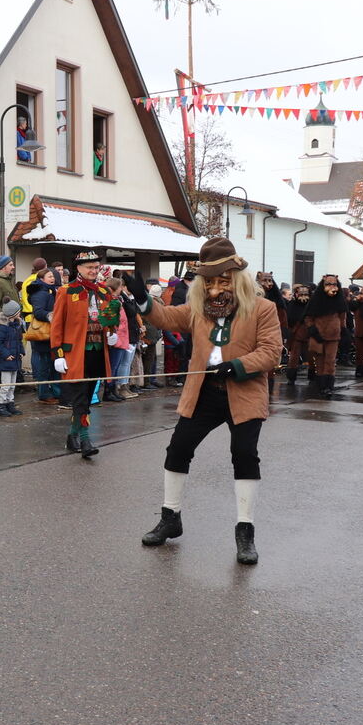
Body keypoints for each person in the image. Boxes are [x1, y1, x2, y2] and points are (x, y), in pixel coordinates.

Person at [126, 237, 283, 565]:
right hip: (203, 392)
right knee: (178, 449)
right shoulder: (197, 309)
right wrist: (142, 300)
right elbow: (167, 318)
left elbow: (270, 351)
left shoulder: (263, 309)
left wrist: (237, 365)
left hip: (243, 392)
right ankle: (171, 518)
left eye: (222, 280)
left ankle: (245, 530)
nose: (215, 288)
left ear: (237, 279)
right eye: (208, 281)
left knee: (243, 455)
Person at [50, 250, 120, 458]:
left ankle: (73, 436)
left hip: (97, 353)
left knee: (86, 399)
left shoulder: (104, 291)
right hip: (75, 355)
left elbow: (109, 318)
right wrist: (58, 354)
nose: (93, 271)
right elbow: (57, 325)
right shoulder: (66, 291)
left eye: (95, 267)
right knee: (80, 398)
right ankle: (86, 439)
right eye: (89, 267)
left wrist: (112, 332)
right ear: (78, 268)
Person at [302, 275, 348, 399]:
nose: (332, 287)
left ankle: (328, 386)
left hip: (333, 335)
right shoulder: (316, 300)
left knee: (330, 361)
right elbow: (308, 317)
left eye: (334, 284)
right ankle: (322, 385)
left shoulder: (339, 301)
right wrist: (313, 330)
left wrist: (343, 330)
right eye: (329, 284)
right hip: (318, 335)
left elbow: (343, 317)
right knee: (320, 362)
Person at [27, 267, 60, 404]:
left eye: (53, 276)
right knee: (44, 366)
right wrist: (50, 315)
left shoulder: (50, 291)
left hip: (50, 334)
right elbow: (38, 312)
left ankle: (55, 392)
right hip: (43, 335)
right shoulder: (41, 293)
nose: (52, 279)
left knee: (52, 365)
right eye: (49, 277)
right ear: (41, 279)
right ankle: (44, 394)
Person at [0, 298, 26, 417]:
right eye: (18, 311)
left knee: (12, 385)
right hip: (6, 361)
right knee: (6, 385)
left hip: (15, 360)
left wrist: (21, 351)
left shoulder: (16, 327)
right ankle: (1, 404)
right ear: (13, 314)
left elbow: (19, 341)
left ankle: (10, 403)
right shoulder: (3, 329)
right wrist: (6, 354)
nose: (20, 313)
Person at [284, 285, 313, 385]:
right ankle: (291, 378)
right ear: (296, 294)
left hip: (310, 335)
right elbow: (289, 318)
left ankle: (312, 376)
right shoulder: (292, 304)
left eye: (306, 294)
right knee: (294, 358)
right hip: (296, 335)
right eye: (301, 294)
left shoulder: (311, 305)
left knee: (312, 357)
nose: (303, 296)